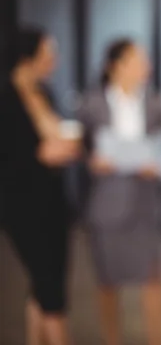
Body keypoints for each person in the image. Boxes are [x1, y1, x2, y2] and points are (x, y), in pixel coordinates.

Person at [77, 39, 161, 345]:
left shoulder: (154, 103)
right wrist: (92, 160)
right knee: (107, 283)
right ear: (115, 66)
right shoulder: (92, 104)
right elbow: (81, 147)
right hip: (107, 204)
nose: (146, 67)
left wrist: (159, 163)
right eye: (138, 61)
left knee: (153, 281)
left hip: (145, 203)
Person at [0, 26, 78, 345]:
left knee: (43, 282)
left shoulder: (45, 92)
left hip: (53, 202)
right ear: (27, 57)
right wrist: (39, 156)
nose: (54, 61)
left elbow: (56, 137)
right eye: (48, 54)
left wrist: (60, 149)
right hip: (20, 205)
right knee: (49, 286)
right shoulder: (5, 99)